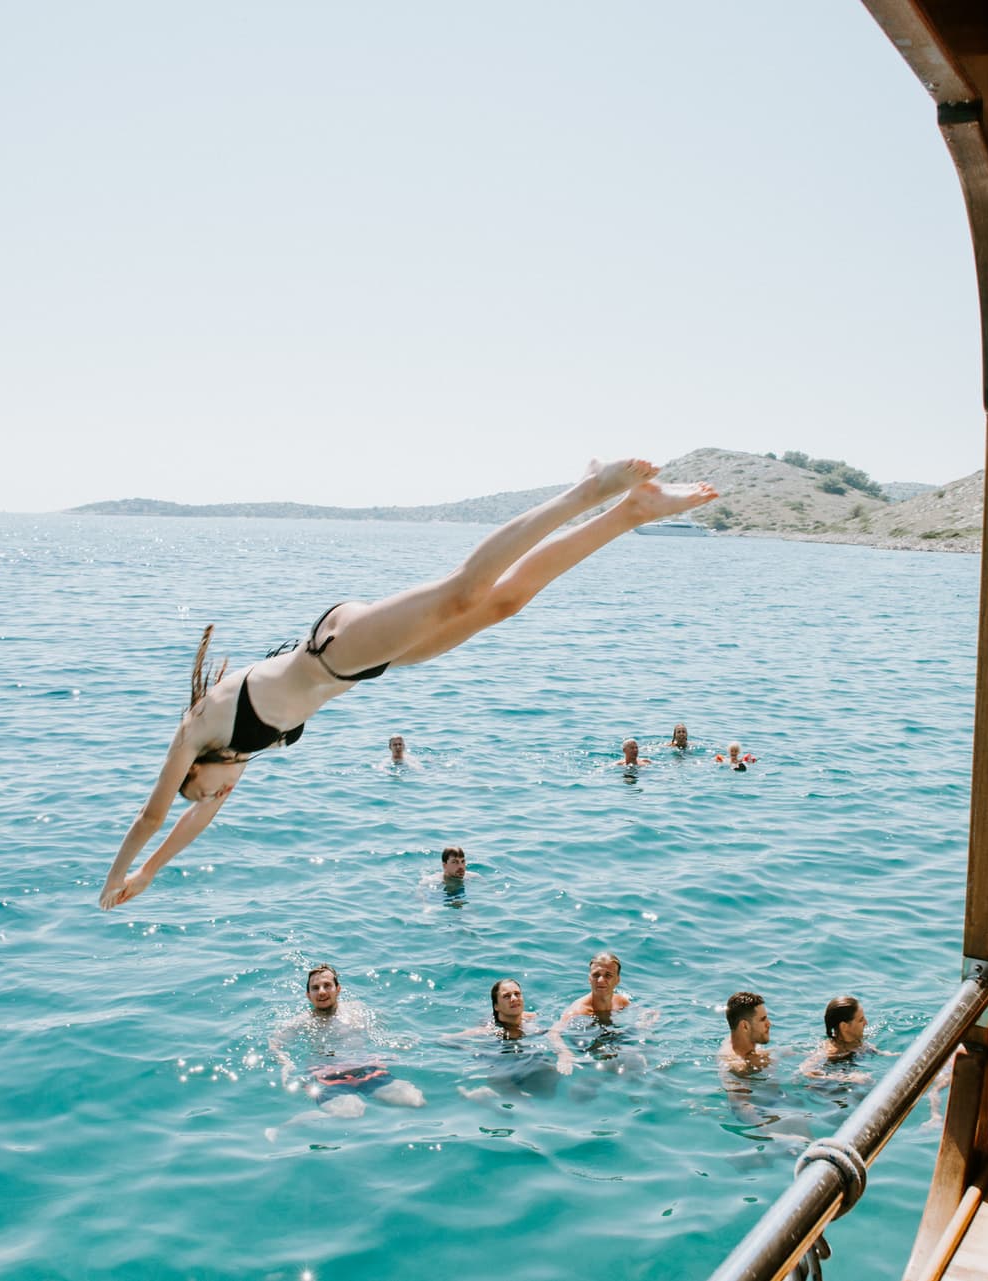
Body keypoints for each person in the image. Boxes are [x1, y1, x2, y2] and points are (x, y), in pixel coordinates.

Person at [100, 459, 717, 909]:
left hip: (333, 649)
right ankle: (629, 513)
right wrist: (153, 876)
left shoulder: (200, 729)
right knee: (504, 605)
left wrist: (118, 876)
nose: (208, 800)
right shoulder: (238, 758)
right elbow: (190, 825)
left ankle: (587, 490)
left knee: (465, 590)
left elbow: (154, 815)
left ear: (194, 770)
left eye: (198, 793)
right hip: (370, 665)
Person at [267, 965, 425, 1120]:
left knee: (414, 1100)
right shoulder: (301, 1022)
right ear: (308, 995)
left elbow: (383, 1028)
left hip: (367, 1070)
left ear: (338, 989)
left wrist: (396, 1043)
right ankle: (294, 1123)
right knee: (350, 1113)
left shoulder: (357, 1010)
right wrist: (286, 1064)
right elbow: (273, 1043)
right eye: (315, 988)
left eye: (327, 985)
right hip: (328, 1079)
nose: (321, 991)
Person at [548, 951, 634, 1075]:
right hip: (586, 1042)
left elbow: (641, 1014)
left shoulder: (621, 1002)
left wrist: (645, 1021)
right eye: (596, 975)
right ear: (589, 979)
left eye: (608, 975)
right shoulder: (578, 1010)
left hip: (610, 1036)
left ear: (617, 980)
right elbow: (553, 1033)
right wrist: (564, 1054)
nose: (600, 980)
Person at [800, 996, 880, 1083]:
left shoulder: (856, 1040)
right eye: (861, 1020)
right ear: (844, 1026)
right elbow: (806, 1071)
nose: (866, 1023)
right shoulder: (832, 1052)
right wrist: (846, 1078)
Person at [718, 991, 771, 1074]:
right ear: (745, 1026)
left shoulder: (732, 1041)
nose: (769, 1024)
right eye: (762, 1019)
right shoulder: (737, 1067)